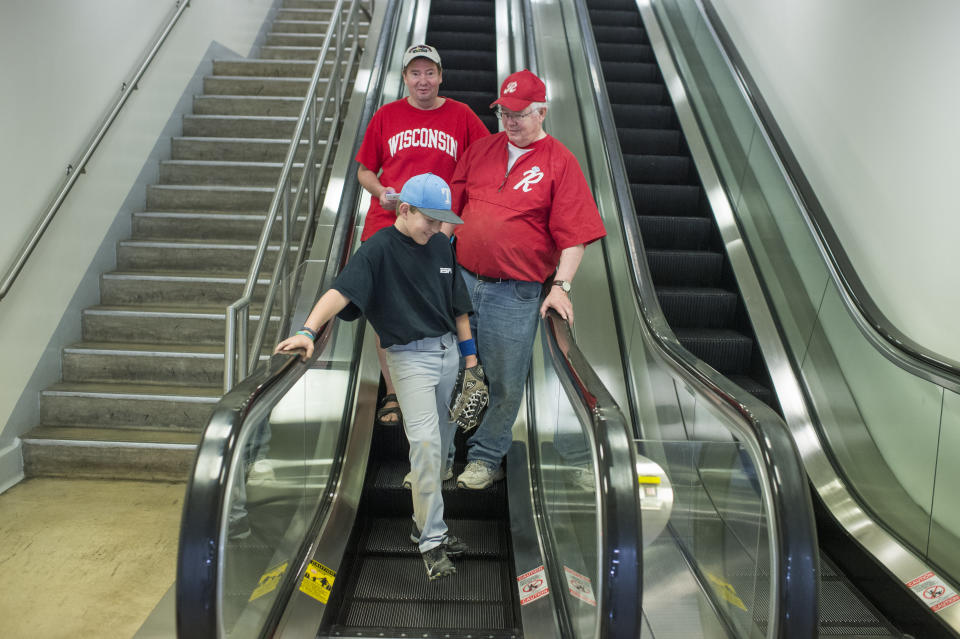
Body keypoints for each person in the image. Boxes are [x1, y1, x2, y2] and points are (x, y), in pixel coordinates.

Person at [275, 173, 476, 580]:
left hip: (448, 354)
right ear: (405, 209)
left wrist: (471, 363)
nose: (437, 228)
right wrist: (307, 331)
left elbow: (458, 307)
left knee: (441, 448)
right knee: (424, 444)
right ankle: (432, 540)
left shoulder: (440, 245)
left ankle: (423, 524)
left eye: (441, 221)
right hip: (409, 359)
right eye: (430, 220)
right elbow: (340, 293)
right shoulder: (377, 250)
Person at [450, 69, 607, 490]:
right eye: (504, 112)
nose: (510, 121)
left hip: (514, 292)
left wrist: (561, 286)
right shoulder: (482, 149)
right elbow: (453, 207)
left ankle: (484, 458)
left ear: (542, 112)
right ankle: (439, 454)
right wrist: (433, 261)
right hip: (462, 282)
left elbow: (576, 235)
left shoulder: (561, 162)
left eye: (519, 114)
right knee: (448, 369)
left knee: (503, 379)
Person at [355, 44, 490, 430]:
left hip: (438, 230)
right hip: (388, 227)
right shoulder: (387, 115)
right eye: (415, 73)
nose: (423, 80)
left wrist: (454, 219)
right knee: (385, 312)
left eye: (429, 72)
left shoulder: (461, 115)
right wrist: (380, 191)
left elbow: (484, 158)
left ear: (441, 76)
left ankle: (440, 387)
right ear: (405, 78)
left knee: (443, 309)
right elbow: (365, 170)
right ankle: (394, 390)